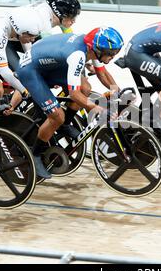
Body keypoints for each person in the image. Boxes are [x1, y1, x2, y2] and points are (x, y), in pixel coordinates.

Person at [16, 27, 124, 179]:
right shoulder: (78, 55)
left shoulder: (90, 46)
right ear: (97, 49)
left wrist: (118, 91)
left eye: (116, 53)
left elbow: (102, 73)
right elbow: (74, 95)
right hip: (30, 71)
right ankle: (35, 155)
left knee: (86, 87)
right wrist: (95, 108)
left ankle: (65, 125)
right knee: (57, 116)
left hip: (48, 65)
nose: (113, 56)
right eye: (111, 53)